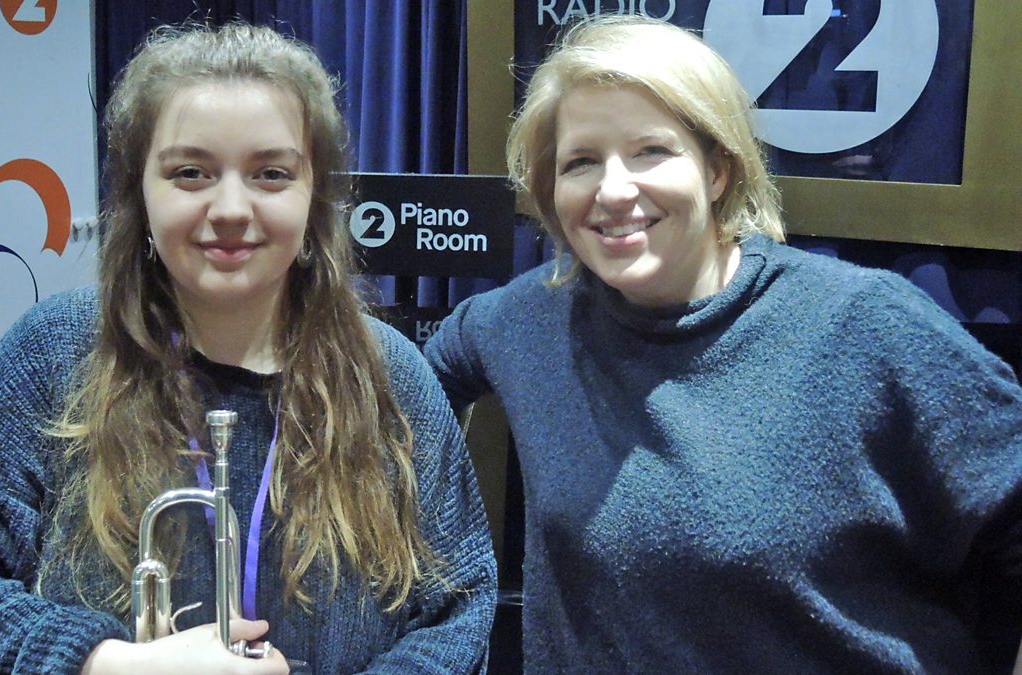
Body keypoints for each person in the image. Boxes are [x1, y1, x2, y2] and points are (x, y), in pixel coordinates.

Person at [424, 14, 1022, 673]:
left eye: (651, 151)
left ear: (716, 170)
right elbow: (417, 384)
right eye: (581, 162)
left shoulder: (864, 324)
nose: (614, 189)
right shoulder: (525, 319)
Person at [0, 22, 496, 674]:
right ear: (140, 194)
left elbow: (457, 612)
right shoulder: (48, 354)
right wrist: (106, 664)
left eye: (271, 173)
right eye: (191, 172)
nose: (231, 207)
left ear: (315, 198)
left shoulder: (391, 375)